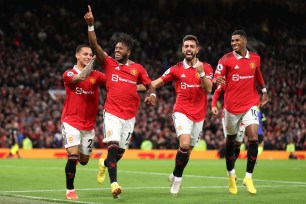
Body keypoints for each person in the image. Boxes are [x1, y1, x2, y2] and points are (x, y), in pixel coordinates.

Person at [84, 5, 156, 199]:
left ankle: (103, 163)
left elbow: (149, 86)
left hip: (130, 116)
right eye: (115, 47)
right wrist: (91, 26)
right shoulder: (108, 63)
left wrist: (152, 95)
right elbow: (95, 46)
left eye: (120, 48)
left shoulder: (138, 69)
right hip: (112, 113)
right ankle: (114, 184)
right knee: (113, 146)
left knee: (119, 153)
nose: (116, 50)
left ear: (128, 52)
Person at [150, 35, 213, 195]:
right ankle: (178, 178)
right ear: (182, 49)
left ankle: (173, 174)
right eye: (186, 46)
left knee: (188, 152)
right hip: (182, 111)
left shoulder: (206, 67)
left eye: (192, 46)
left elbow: (209, 89)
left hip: (199, 115)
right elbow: (155, 83)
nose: (189, 49)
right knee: (184, 144)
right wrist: (129, 86)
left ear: (197, 49)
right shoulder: (175, 69)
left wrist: (202, 74)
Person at [213, 30, 269, 195]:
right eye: (232, 41)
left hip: (250, 104)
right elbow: (217, 75)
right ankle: (231, 175)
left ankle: (248, 177)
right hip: (231, 108)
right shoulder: (226, 59)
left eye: (237, 40)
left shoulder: (255, 58)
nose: (234, 43)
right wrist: (217, 79)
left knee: (253, 138)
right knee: (231, 143)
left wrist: (264, 90)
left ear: (245, 40)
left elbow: (257, 74)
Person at [61, 44, 106, 200]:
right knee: (72, 156)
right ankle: (70, 190)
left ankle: (77, 165)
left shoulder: (97, 75)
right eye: (85, 54)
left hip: (88, 126)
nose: (88, 56)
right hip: (71, 121)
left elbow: (114, 83)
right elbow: (80, 77)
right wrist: (94, 61)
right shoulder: (68, 73)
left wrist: (142, 87)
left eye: (90, 54)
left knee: (84, 160)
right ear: (77, 56)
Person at [211, 84, 244, 163]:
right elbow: (217, 92)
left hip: (242, 114)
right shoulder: (226, 79)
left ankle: (231, 164)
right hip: (228, 115)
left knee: (238, 143)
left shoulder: (245, 79)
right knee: (230, 141)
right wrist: (213, 105)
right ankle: (231, 168)